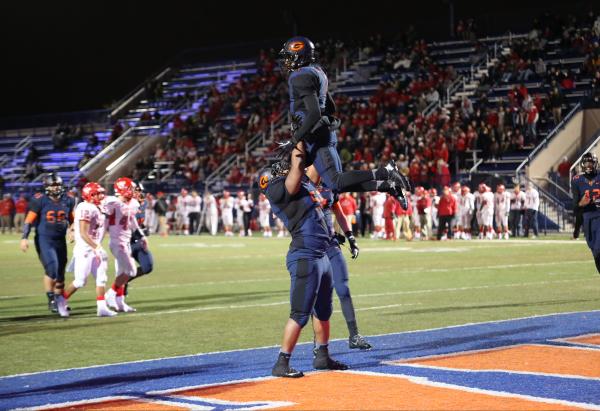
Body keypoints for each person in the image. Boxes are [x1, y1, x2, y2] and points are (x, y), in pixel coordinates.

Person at [276, 36, 410, 206]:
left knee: (335, 182)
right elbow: (329, 107)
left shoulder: (300, 76)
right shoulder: (317, 71)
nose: (286, 61)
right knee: (336, 185)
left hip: (315, 136)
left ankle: (386, 172)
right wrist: (329, 121)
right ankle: (387, 185)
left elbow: (315, 112)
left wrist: (294, 140)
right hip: (318, 133)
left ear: (299, 55)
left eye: (289, 56)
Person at [261, 142, 348, 378]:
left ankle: (322, 355)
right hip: (305, 255)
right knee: (300, 312)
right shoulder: (279, 191)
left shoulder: (299, 187)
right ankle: (282, 362)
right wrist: (299, 140)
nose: (283, 169)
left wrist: (318, 139)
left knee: (323, 310)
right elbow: (298, 166)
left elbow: (313, 167)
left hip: (320, 254)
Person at [307, 165, 372, 350]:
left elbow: (338, 211)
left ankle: (354, 335)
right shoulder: (301, 185)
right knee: (318, 295)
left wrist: (350, 236)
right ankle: (318, 344)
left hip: (332, 244)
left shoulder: (329, 186)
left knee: (343, 288)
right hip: (313, 248)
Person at [20, 173, 75, 313]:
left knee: (61, 273)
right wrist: (24, 238)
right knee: (52, 269)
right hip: (44, 239)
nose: (56, 188)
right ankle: (51, 299)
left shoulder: (68, 199)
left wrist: (72, 230)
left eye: (57, 185)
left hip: (60, 240)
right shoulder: (39, 200)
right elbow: (28, 221)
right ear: (46, 186)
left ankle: (59, 300)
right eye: (53, 185)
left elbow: (72, 219)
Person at [59, 182, 116, 317]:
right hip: (85, 249)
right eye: (96, 193)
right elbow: (84, 233)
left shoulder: (97, 207)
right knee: (80, 281)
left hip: (95, 248)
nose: (100, 196)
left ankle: (102, 307)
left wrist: (72, 229)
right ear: (88, 195)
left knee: (101, 278)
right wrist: (96, 246)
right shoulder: (86, 207)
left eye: (100, 193)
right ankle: (61, 302)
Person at [104, 177, 146, 312]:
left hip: (126, 241)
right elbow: (102, 220)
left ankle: (120, 302)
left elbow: (132, 219)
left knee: (122, 272)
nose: (133, 191)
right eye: (130, 188)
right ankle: (110, 294)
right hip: (117, 242)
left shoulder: (133, 203)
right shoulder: (112, 202)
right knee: (131, 271)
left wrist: (141, 236)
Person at [571, 153, 600, 272]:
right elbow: (575, 207)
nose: (588, 166)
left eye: (591, 163)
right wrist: (580, 204)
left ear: (595, 163)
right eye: (586, 163)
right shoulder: (577, 180)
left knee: (598, 249)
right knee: (594, 251)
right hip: (587, 219)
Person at [126, 181, 154, 293]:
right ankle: (117, 292)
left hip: (138, 239)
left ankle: (125, 281)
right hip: (125, 241)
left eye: (139, 191)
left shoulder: (143, 203)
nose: (138, 193)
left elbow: (138, 222)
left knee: (147, 266)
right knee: (126, 268)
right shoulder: (123, 204)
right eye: (135, 190)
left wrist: (142, 229)